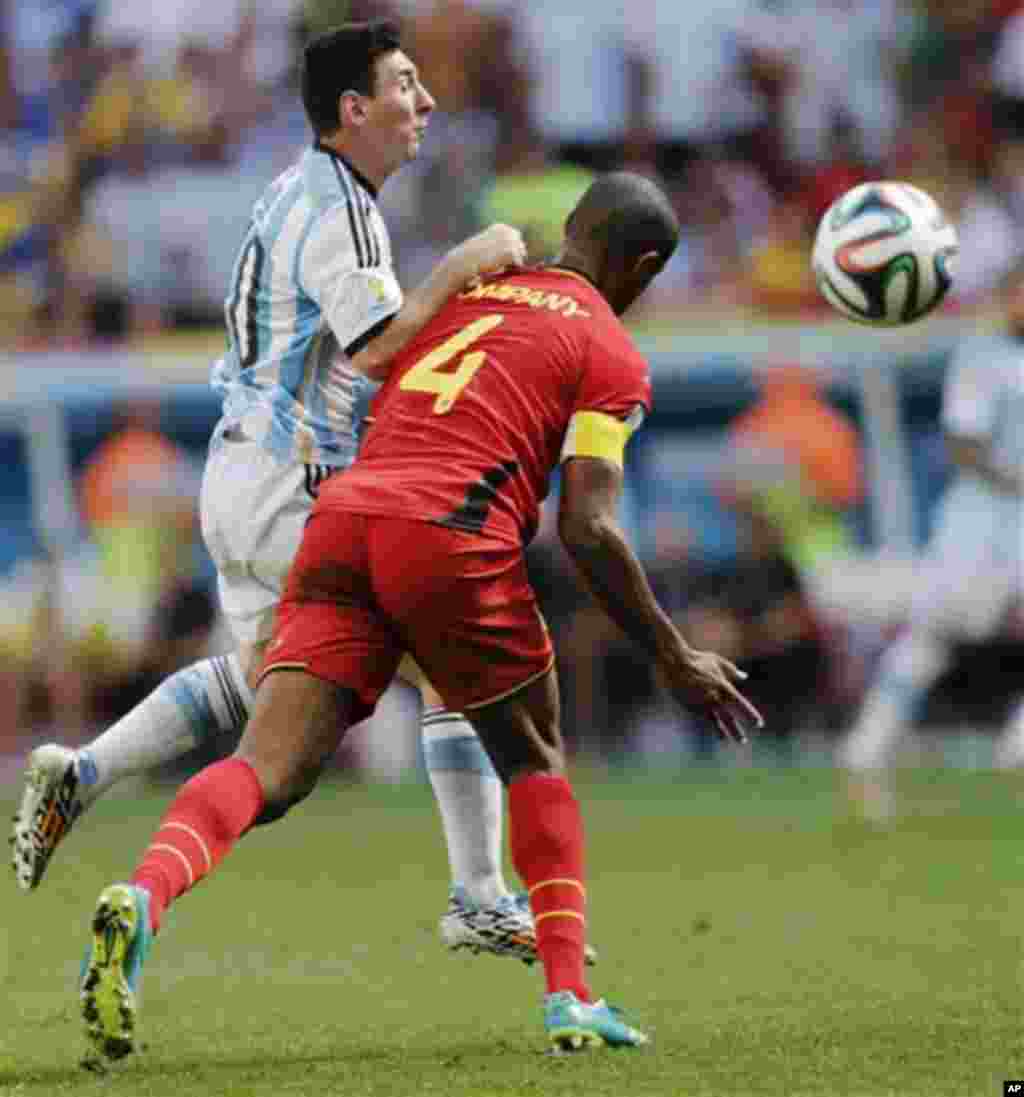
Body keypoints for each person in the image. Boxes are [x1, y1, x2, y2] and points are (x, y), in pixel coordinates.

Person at [77, 171, 762, 1063]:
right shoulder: (611, 353)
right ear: (643, 266)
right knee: (533, 750)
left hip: (345, 517)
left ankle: (144, 893)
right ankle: (569, 996)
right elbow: (587, 526)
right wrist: (672, 652)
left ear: (569, 229)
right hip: (451, 534)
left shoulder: (473, 296)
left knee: (267, 765)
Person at [12, 21, 537, 962]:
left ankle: (84, 772)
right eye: (406, 85)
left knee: (263, 679)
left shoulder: (300, 189)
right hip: (297, 479)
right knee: (454, 658)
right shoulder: (342, 208)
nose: (426, 103)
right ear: (354, 109)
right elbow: (378, 346)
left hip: (240, 470)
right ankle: (480, 893)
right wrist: (463, 266)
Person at [839, 273, 1024, 814]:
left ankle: (1017, 752)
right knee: (939, 632)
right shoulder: (982, 357)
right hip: (982, 523)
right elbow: (964, 445)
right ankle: (867, 747)